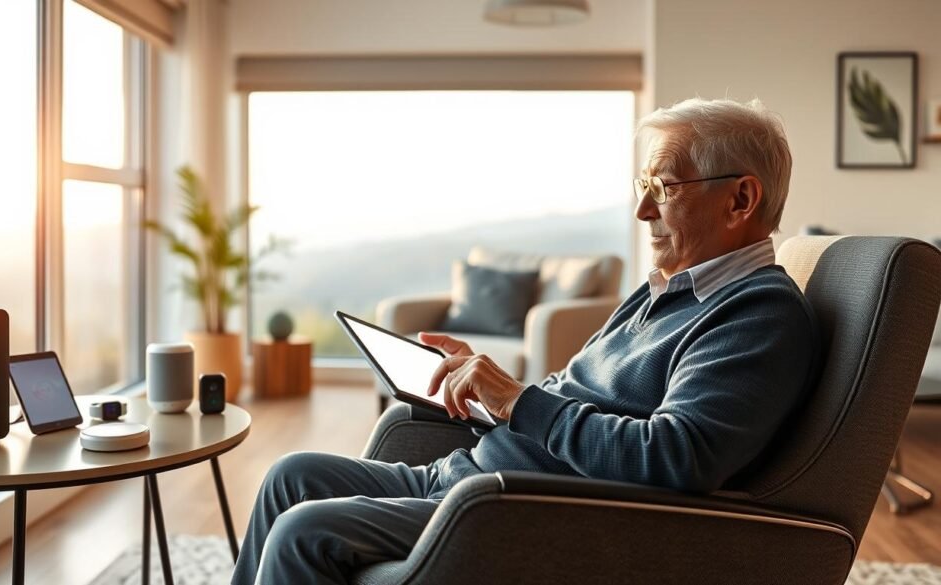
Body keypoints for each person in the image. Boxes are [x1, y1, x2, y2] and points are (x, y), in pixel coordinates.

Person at [229, 97, 820, 585]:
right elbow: (575, 399)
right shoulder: (667, 290)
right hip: (471, 475)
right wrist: (483, 390)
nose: (642, 210)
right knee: (292, 473)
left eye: (663, 187)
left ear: (740, 199)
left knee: (305, 529)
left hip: (523, 510)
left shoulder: (757, 314)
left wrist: (517, 400)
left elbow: (676, 458)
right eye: (643, 185)